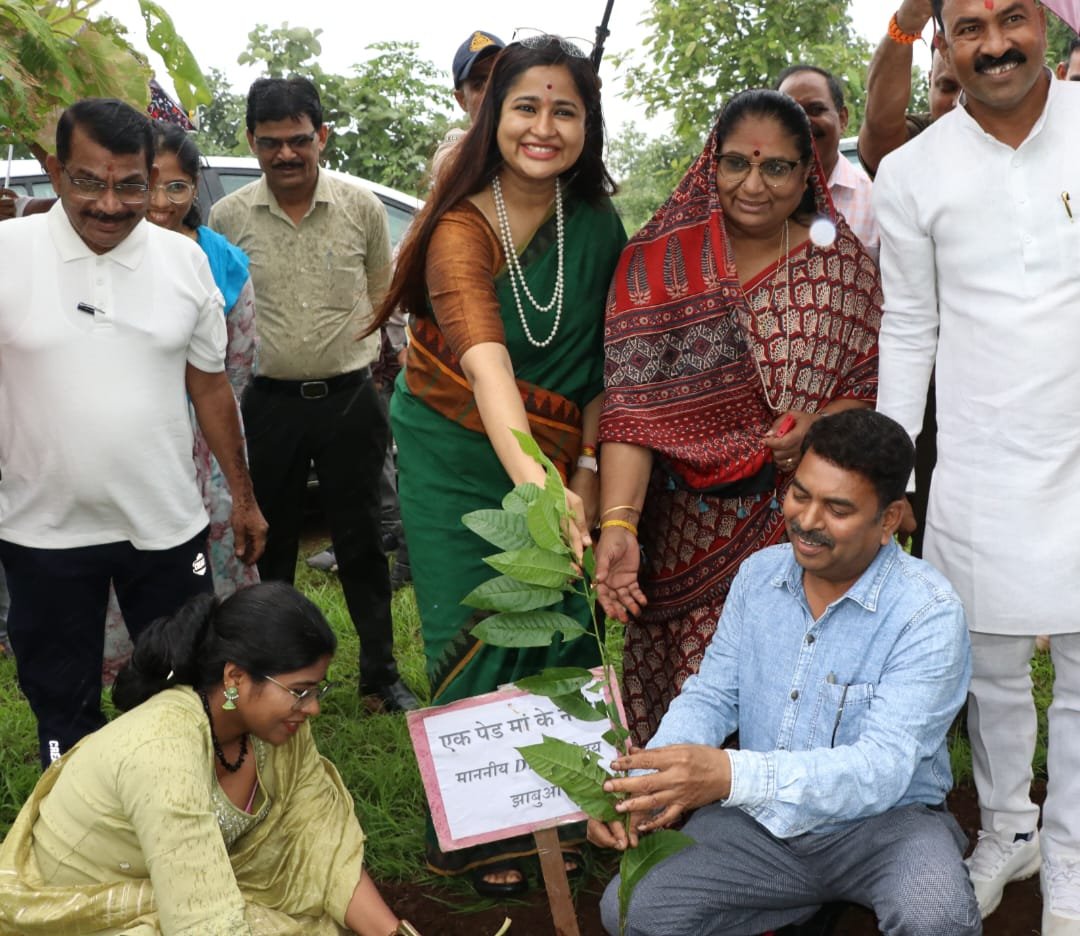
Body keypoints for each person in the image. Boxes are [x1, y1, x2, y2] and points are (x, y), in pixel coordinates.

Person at [373, 33, 625, 894]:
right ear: (492, 117)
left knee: (557, 614)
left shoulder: (598, 225)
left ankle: (571, 805)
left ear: (588, 125)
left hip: (557, 456)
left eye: (565, 110)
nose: (543, 127)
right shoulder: (458, 226)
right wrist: (543, 492)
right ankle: (484, 829)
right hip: (454, 451)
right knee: (474, 617)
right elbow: (485, 369)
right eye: (526, 106)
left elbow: (601, 368)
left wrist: (583, 473)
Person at [590, 410, 980, 936]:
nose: (807, 521)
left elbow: (882, 770)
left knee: (937, 917)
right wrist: (640, 789)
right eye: (800, 494)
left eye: (837, 509)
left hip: (886, 827)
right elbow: (712, 697)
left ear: (889, 519)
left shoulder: (927, 611)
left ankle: (796, 904)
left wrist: (730, 775)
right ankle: (793, 903)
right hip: (758, 825)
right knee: (632, 910)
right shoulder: (759, 576)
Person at [874, 0, 1080, 930]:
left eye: (1013, 18)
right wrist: (894, 477)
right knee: (987, 664)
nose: (995, 44)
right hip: (980, 455)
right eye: (970, 27)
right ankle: (1008, 830)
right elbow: (909, 324)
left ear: (1047, 24)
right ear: (943, 40)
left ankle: (1070, 856)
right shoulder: (912, 172)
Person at [595, 89, 881, 746]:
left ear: (807, 173)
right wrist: (620, 524)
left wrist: (818, 425)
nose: (753, 186)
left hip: (799, 527)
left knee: (787, 703)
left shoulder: (840, 269)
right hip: (679, 532)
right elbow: (632, 413)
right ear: (711, 162)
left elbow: (869, 386)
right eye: (736, 164)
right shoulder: (657, 262)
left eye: (776, 167)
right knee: (687, 705)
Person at [0, 98, 266, 769]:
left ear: (152, 177)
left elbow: (211, 388)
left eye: (129, 186)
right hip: (42, 532)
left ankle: (178, 802)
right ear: (56, 172)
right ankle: (74, 812)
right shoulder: (7, 255)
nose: (110, 205)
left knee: (182, 692)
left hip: (167, 527)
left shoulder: (185, 263)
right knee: (61, 704)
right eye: (89, 182)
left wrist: (243, 496)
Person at [0, 582, 422, 936]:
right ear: (235, 677)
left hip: (174, 890)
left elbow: (321, 844)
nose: (312, 707)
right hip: (81, 910)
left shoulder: (279, 731)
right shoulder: (162, 751)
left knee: (322, 924)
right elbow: (204, 924)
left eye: (317, 690)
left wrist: (394, 934)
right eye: (299, 691)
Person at [209, 77, 417, 714]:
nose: (286, 154)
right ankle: (272, 677)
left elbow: (384, 298)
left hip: (351, 401)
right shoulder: (228, 217)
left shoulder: (360, 207)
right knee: (268, 548)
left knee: (362, 543)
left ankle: (380, 676)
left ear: (321, 136)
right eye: (270, 142)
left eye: (299, 139)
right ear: (252, 141)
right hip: (265, 404)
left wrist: (395, 373)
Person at [101, 121, 262, 683]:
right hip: (124, 451)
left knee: (207, 586)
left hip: (204, 453)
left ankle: (215, 693)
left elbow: (234, 372)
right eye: (149, 185)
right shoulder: (105, 257)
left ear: (195, 188)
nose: (162, 202)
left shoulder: (225, 264)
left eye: (177, 187)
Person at [775, 65, 880, 256]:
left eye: (815, 110)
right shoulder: (753, 199)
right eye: (789, 113)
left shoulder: (876, 202)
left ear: (842, 119)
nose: (803, 122)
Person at [857, 0, 962, 179]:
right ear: (930, 81)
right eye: (948, 87)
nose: (959, 102)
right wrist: (905, 24)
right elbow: (881, 130)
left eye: (973, 88)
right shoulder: (918, 139)